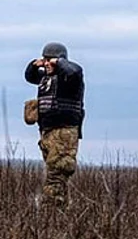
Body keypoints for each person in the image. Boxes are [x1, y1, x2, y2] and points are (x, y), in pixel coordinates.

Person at [24, 42, 84, 209]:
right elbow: (30, 76)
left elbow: (75, 71)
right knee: (54, 174)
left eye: (51, 61)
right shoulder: (47, 79)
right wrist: (35, 64)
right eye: (46, 60)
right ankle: (60, 214)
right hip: (47, 133)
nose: (47, 64)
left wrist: (58, 62)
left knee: (56, 175)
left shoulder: (70, 79)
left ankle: (51, 214)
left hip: (64, 133)